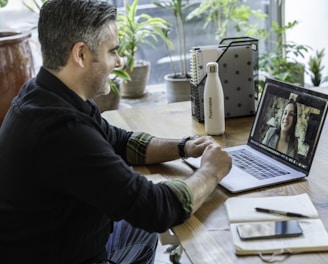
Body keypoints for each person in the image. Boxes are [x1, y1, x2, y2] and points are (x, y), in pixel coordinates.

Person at [0, 1, 232, 263]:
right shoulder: (62, 130)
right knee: (156, 219)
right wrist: (212, 171)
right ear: (81, 54)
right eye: (112, 51)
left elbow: (119, 141)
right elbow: (157, 209)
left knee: (140, 224)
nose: (119, 61)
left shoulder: (46, 93)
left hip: (61, 240)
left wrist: (183, 146)